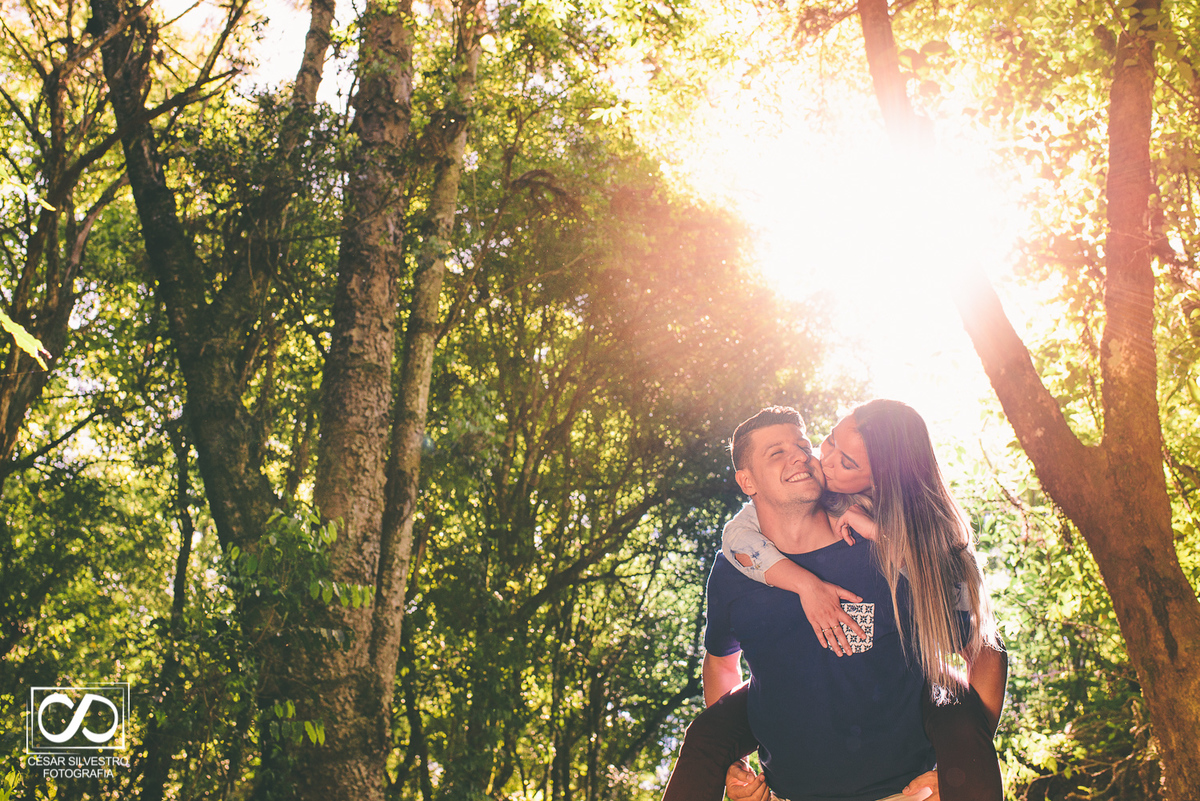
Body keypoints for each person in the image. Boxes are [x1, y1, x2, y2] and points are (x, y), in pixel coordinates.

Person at [662, 403, 1006, 801]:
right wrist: (733, 769)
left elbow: (983, 649)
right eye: (777, 452)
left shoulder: (886, 550)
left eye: (802, 445)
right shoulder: (734, 567)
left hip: (904, 791)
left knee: (957, 708)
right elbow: (722, 662)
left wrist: (955, 769)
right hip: (791, 792)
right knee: (703, 736)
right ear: (747, 481)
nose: (802, 456)